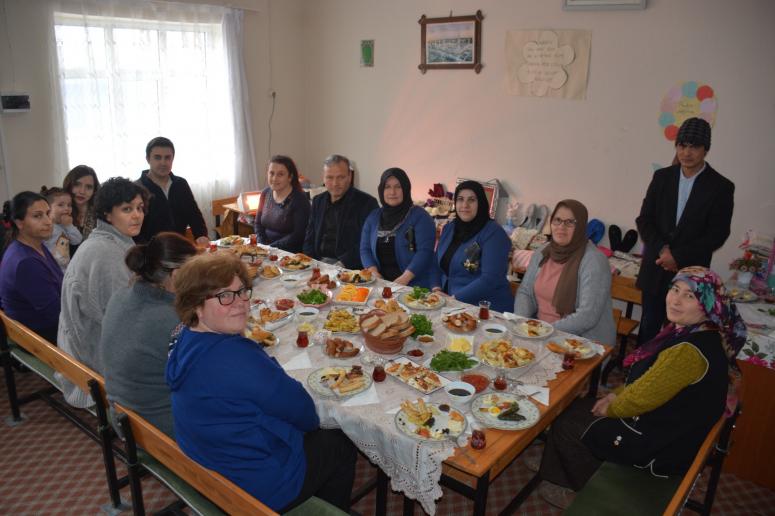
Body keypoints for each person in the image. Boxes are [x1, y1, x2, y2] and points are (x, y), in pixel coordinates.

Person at [536, 266, 746, 509]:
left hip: (662, 447)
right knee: (579, 410)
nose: (676, 300)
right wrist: (614, 395)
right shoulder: (701, 332)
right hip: (673, 426)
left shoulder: (687, 352)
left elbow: (640, 399)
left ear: (707, 304)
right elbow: (648, 382)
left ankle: (583, 493)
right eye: (675, 289)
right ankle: (555, 466)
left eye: (690, 296)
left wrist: (611, 407)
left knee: (568, 423)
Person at [166, 252, 357, 512]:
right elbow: (306, 415)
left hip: (208, 461)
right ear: (196, 305)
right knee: (339, 442)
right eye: (224, 296)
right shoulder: (234, 357)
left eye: (242, 291)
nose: (241, 303)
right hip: (254, 484)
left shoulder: (185, 339)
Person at [636, 117, 734, 344]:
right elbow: (644, 219)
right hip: (656, 268)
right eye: (682, 145)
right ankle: (638, 375)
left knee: (680, 336)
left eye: (694, 146)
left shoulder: (721, 187)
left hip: (691, 275)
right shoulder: (662, 177)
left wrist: (677, 257)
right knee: (648, 328)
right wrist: (663, 250)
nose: (686, 152)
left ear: (705, 150)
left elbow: (717, 234)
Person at [57, 177, 149, 408]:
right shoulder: (105, 253)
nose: (137, 215)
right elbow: (122, 322)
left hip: (86, 343)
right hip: (93, 361)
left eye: (139, 208)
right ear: (108, 214)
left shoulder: (110, 240)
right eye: (127, 209)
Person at [102, 232, 197, 437]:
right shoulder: (172, 321)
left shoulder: (120, 296)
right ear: (176, 274)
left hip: (123, 415)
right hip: (158, 426)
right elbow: (202, 379)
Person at [514, 200, 615, 345]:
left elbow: (587, 317)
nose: (561, 226)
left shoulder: (594, 261)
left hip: (584, 342)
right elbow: (525, 292)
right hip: (541, 333)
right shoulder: (543, 252)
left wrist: (543, 331)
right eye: (557, 220)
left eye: (570, 222)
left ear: (580, 226)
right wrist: (522, 323)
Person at [431, 180, 513, 313]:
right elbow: (435, 263)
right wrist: (436, 290)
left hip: (486, 309)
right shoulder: (449, 228)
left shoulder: (494, 233)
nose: (465, 205)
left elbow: (490, 279)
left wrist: (453, 299)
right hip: (451, 304)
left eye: (472, 200)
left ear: (480, 203)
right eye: (460, 199)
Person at [0, 192, 63, 343]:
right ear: (19, 223)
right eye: (37, 216)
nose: (48, 221)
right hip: (43, 337)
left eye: (48, 214)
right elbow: (56, 315)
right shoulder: (25, 262)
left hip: (47, 327)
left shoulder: (34, 244)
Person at [359, 168, 435, 287]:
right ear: (381, 190)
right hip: (381, 284)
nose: (392, 192)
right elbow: (365, 249)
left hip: (414, 287)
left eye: (398, 187)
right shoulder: (373, 217)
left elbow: (425, 252)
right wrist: (374, 273)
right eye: (387, 187)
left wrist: (404, 279)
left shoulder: (421, 217)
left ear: (405, 188)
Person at [303, 154, 378, 269]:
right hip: (317, 263)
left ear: (349, 177)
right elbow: (309, 238)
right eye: (329, 177)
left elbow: (366, 243)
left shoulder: (367, 203)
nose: (335, 183)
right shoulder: (318, 201)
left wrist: (341, 265)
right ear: (323, 178)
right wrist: (311, 261)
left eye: (340, 177)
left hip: (348, 267)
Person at [137, 136, 209, 246]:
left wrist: (201, 235)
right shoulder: (137, 188)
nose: (163, 162)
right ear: (148, 159)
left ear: (172, 159)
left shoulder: (181, 184)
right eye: (157, 157)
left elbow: (193, 214)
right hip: (151, 254)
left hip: (179, 249)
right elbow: (134, 227)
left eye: (167, 158)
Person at [253, 155, 310, 252]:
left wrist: (271, 247)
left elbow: (298, 235)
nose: (274, 178)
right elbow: (258, 223)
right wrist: (261, 243)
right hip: (266, 248)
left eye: (280, 174)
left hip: (289, 254)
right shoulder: (265, 193)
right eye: (271, 173)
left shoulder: (300, 199)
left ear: (290, 177)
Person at [40, 186, 83, 270]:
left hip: (64, 270)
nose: (66, 208)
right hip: (52, 270)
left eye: (69, 205)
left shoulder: (66, 226)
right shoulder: (47, 227)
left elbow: (77, 240)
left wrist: (69, 226)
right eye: (61, 205)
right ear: (48, 208)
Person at [63, 164, 100, 242]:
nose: (82, 191)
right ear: (69, 185)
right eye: (77, 185)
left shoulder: (100, 215)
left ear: (94, 191)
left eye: (88, 187)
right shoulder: (60, 212)